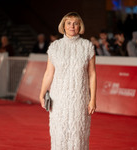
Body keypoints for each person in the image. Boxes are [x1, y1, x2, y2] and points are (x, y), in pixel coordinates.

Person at [39, 12, 97, 150]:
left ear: (80, 26)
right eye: (69, 23)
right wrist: (41, 94)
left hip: (80, 98)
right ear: (63, 26)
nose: (72, 26)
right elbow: (49, 73)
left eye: (75, 23)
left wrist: (93, 99)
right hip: (58, 99)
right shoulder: (55, 47)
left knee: (78, 134)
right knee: (59, 134)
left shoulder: (87, 47)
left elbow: (92, 74)